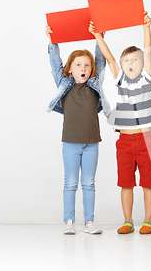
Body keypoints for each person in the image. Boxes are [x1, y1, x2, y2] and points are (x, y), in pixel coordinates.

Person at [90, 12, 151, 235]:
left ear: (142, 65)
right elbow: (109, 58)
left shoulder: (147, 78)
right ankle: (128, 221)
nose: (131, 63)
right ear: (122, 66)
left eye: (135, 59)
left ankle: (148, 220)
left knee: (148, 183)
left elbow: (147, 51)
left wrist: (146, 28)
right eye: (126, 60)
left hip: (145, 138)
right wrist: (98, 36)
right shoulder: (120, 79)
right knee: (126, 183)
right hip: (124, 140)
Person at [46, 24, 111, 235]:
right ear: (70, 69)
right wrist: (52, 41)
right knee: (71, 183)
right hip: (71, 143)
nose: (83, 69)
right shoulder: (64, 85)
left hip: (91, 143)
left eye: (86, 65)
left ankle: (89, 222)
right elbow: (55, 64)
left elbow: (100, 61)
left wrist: (98, 37)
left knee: (89, 183)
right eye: (78, 65)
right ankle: (69, 221)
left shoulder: (95, 85)